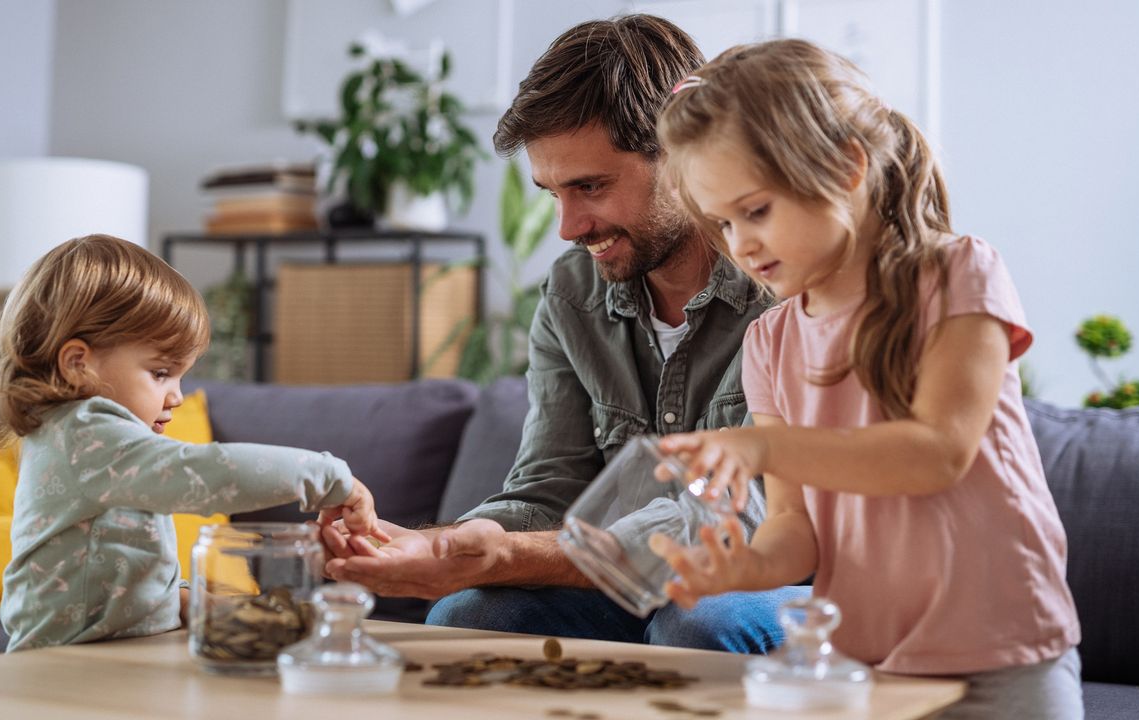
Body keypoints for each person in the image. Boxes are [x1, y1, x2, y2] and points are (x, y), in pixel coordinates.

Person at [323, 15, 808, 653]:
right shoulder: (572, 293)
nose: (569, 225)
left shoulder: (787, 289)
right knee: (470, 617)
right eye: (552, 192)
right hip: (622, 585)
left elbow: (745, 520)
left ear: (684, 156)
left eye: (591, 186)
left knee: (698, 623)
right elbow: (550, 485)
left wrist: (505, 557)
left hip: (773, 573)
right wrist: (440, 544)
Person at [651, 39, 1082, 717]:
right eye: (722, 223)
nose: (740, 245)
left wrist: (761, 448)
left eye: (756, 211)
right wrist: (745, 568)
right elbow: (794, 528)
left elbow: (937, 453)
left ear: (846, 166)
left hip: (1005, 652)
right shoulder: (769, 341)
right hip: (864, 664)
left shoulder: (958, 275)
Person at [0, 234, 386, 651]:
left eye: (180, 376)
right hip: (62, 666)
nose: (176, 396)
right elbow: (208, 472)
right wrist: (329, 477)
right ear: (79, 364)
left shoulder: (97, 445)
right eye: (159, 373)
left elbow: (117, 560)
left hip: (117, 653)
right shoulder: (85, 433)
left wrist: (186, 600)